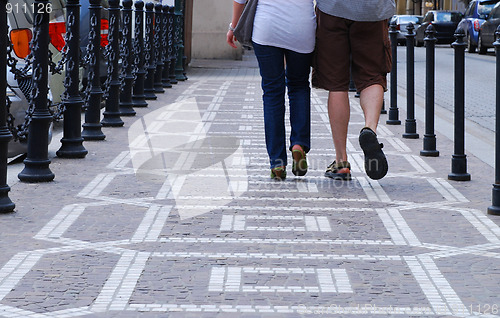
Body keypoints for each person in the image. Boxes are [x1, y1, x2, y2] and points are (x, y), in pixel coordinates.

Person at [227, 0, 316, 180]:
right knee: (299, 86)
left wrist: (233, 26)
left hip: (266, 27)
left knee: (272, 92)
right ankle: (299, 144)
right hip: (302, 26)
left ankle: (277, 161)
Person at [312, 0, 395, 181]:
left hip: (332, 9)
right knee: (372, 76)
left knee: (336, 84)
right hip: (372, 10)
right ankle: (369, 129)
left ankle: (341, 162)